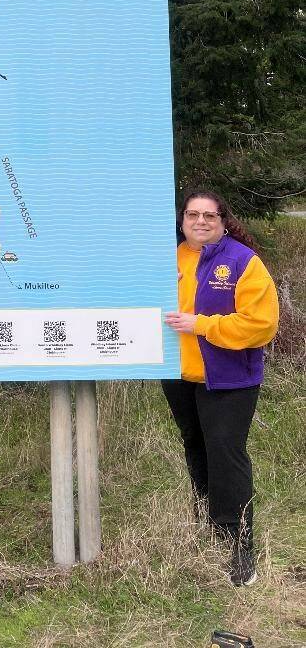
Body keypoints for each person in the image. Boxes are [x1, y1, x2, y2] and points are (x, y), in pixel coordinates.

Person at [163, 188, 278, 588]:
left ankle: (241, 544)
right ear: (182, 221)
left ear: (223, 221)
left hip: (229, 379)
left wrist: (204, 324)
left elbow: (261, 325)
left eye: (209, 216)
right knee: (195, 446)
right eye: (192, 215)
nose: (200, 222)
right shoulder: (171, 258)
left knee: (226, 455)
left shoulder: (244, 263)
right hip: (180, 376)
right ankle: (211, 528)